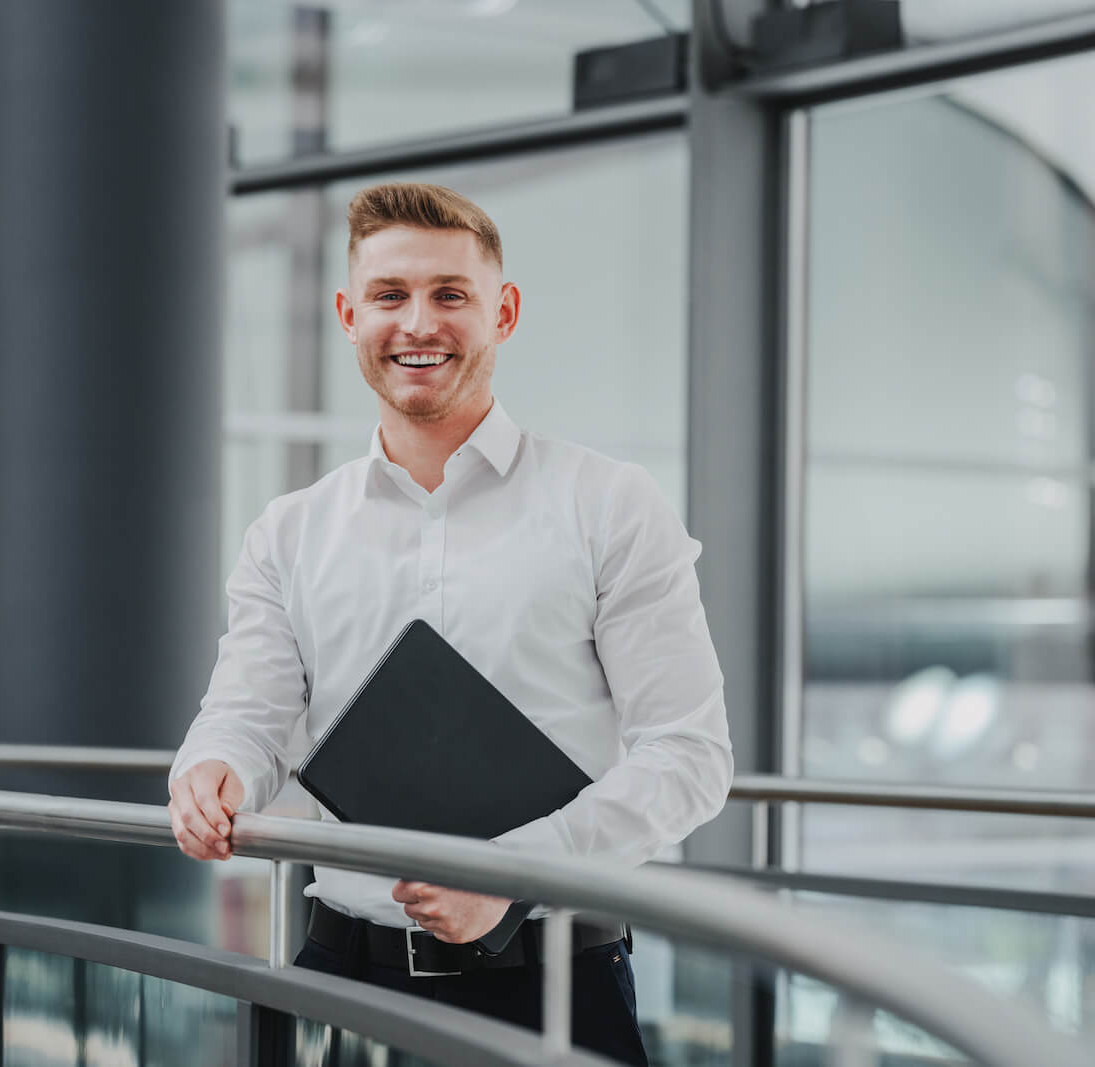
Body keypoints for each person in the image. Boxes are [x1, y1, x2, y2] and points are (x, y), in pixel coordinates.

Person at [168, 181, 732, 1065]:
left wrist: (512, 872)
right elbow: (249, 715)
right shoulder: (290, 531)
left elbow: (689, 755)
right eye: (390, 295)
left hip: (552, 989)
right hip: (340, 982)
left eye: (450, 294)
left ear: (502, 313)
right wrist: (212, 770)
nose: (418, 323)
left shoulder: (609, 505)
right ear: (351, 316)